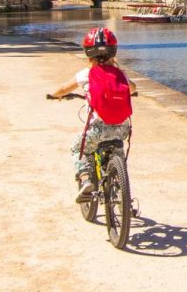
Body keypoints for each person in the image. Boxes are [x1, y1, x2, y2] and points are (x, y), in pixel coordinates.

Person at [47, 26, 137, 202]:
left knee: (78, 149)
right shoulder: (121, 75)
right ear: (113, 52)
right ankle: (120, 184)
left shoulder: (86, 74)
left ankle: (86, 179)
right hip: (122, 128)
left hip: (97, 128)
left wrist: (53, 95)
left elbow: (63, 89)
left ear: (88, 54)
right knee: (117, 150)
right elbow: (132, 88)